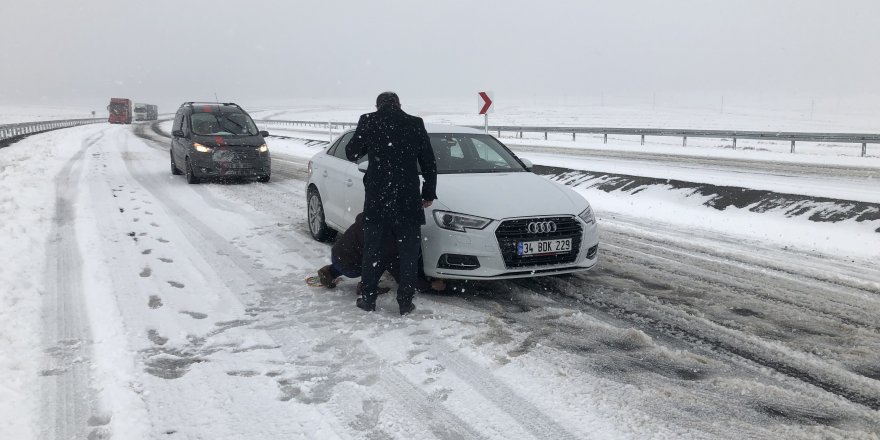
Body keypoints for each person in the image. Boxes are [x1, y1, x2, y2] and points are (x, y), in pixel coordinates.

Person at [345, 91, 437, 315]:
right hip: (407, 198)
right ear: (399, 104)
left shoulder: (369, 121)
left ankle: (368, 299)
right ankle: (405, 302)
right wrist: (428, 192)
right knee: (408, 253)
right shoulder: (415, 123)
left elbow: (351, 152)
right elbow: (428, 161)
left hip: (378, 199)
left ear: (377, 106)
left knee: (373, 250)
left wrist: (369, 142)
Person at [315, 212, 445, 293]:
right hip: (351, 268)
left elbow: (359, 217)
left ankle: (331, 272)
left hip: (337, 252)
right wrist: (431, 285)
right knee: (380, 259)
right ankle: (367, 286)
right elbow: (402, 276)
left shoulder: (374, 214)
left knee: (362, 250)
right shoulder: (390, 244)